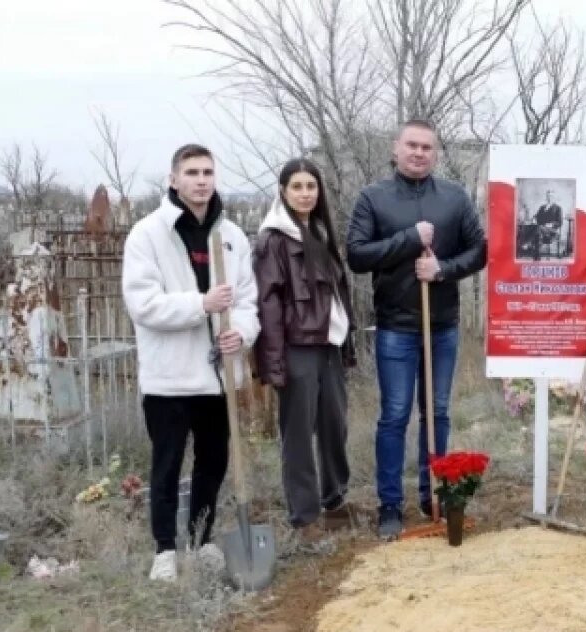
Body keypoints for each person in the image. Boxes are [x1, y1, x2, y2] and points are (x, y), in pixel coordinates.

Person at [122, 143, 260, 582]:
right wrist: (200, 304)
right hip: (170, 377)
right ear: (173, 179)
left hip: (217, 376)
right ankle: (164, 549)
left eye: (207, 172)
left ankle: (202, 541)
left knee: (213, 461)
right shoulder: (148, 235)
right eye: (192, 172)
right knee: (167, 464)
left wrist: (242, 331)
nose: (201, 180)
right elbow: (144, 305)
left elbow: (248, 301)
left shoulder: (232, 237)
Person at [346, 119, 486, 540]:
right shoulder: (374, 198)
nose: (419, 152)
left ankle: (434, 494)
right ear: (396, 148)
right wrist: (410, 239)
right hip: (396, 328)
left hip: (441, 326)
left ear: (436, 152)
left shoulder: (454, 198)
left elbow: (479, 251)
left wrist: (443, 269)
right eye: (412, 145)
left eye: (427, 146)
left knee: (437, 412)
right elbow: (356, 254)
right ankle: (390, 504)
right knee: (394, 416)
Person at [253, 158, 356, 543]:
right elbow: (269, 305)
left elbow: (337, 296)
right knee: (298, 433)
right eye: (296, 186)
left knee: (334, 425)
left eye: (310, 186)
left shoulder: (320, 232)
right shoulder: (273, 240)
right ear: (283, 191)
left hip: (328, 346)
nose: (305, 193)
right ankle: (305, 516)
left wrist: (345, 345)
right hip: (297, 349)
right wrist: (275, 363)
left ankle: (335, 501)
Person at [535, 189, 563, 258]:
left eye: (551, 196)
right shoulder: (542, 207)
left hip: (552, 230)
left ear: (554, 197)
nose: (549, 198)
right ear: (546, 197)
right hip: (541, 229)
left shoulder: (558, 208)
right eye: (548, 196)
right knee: (536, 228)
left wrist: (551, 224)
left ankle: (529, 245)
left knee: (537, 229)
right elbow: (537, 217)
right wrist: (534, 219)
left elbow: (560, 222)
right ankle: (536, 254)